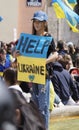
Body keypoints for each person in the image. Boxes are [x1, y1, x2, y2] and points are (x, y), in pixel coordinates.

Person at [31, 10, 58, 129]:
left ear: (45, 23)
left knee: (43, 107)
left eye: (39, 22)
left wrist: (45, 61)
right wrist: (17, 55)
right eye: (35, 21)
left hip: (43, 75)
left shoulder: (48, 37)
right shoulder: (30, 38)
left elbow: (55, 55)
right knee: (34, 107)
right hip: (31, 75)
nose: (37, 24)